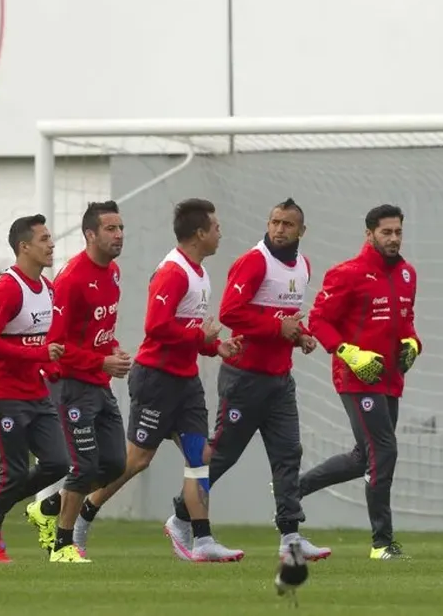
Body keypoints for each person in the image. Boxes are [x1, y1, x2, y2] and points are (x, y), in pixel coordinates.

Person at [72, 198, 245, 562]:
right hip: (157, 381)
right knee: (135, 461)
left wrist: (217, 347)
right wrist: (203, 338)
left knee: (202, 455)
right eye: (215, 227)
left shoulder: (199, 272)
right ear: (199, 234)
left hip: (186, 381)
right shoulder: (174, 272)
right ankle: (86, 511)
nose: (220, 233)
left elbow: (191, 332)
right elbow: (157, 327)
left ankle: (200, 539)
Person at [163, 199, 331, 562]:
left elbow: (285, 317)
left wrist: (299, 335)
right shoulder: (254, 261)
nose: (280, 229)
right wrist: (278, 327)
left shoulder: (303, 265)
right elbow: (230, 312)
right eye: (274, 222)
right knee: (223, 454)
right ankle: (180, 516)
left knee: (288, 455)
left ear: (302, 231)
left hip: (279, 381)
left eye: (288, 224)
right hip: (245, 379)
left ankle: (290, 537)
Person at [297, 204, 421, 560]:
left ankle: (292, 489)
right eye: (386, 232)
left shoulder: (408, 274)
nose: (394, 238)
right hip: (356, 378)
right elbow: (319, 320)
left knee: (362, 457)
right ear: (369, 234)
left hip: (390, 379)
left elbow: (407, 321)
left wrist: (413, 344)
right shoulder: (347, 273)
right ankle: (382, 543)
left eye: (398, 232)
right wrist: (348, 352)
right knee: (384, 451)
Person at [25, 200, 132, 564]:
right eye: (110, 229)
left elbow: (101, 331)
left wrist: (113, 353)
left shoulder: (114, 272)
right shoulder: (71, 279)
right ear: (90, 234)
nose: (118, 235)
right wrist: (101, 360)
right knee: (85, 466)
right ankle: (62, 546)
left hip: (98, 383)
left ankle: (49, 508)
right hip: (71, 385)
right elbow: (54, 345)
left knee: (116, 464)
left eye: (120, 228)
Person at [0, 214, 70, 564]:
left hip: (35, 392)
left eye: (50, 238)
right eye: (44, 239)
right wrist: (38, 353)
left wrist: (52, 365)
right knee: (12, 472)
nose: (51, 244)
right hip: (2, 393)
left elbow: (48, 343)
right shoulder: (7, 287)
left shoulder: (49, 289)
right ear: (24, 246)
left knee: (58, 461)